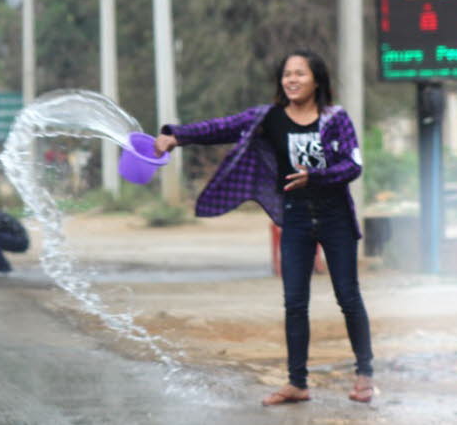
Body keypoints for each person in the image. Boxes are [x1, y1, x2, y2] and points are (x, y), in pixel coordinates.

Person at [154, 49, 374, 406]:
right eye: (287, 74)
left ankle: (364, 374)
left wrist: (315, 176)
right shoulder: (268, 118)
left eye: (300, 74)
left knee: (348, 297)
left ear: (317, 79)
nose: (292, 80)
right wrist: (176, 136)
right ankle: (297, 383)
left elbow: (353, 165)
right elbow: (221, 127)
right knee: (294, 303)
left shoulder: (336, 118)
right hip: (297, 219)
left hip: (335, 218)